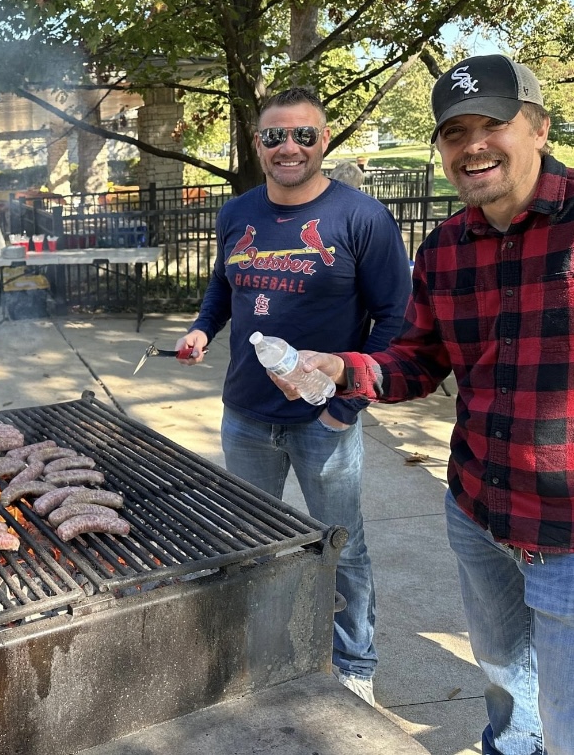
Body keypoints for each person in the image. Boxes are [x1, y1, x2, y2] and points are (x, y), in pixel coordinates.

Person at [273, 55, 573, 755]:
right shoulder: (444, 248)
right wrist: (344, 368)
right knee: (502, 671)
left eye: (490, 124)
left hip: (566, 525)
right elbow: (417, 360)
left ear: (537, 127)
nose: (471, 144)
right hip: (476, 506)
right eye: (453, 131)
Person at [175, 87, 411, 706]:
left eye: (304, 135)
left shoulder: (361, 218)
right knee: (254, 544)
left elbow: (395, 323)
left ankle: (354, 663)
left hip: (322, 419)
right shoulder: (238, 213)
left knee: (343, 544)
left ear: (324, 142)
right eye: (276, 135)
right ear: (258, 143)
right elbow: (222, 287)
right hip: (245, 416)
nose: (289, 147)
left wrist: (345, 406)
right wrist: (203, 328)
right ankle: (267, 654)